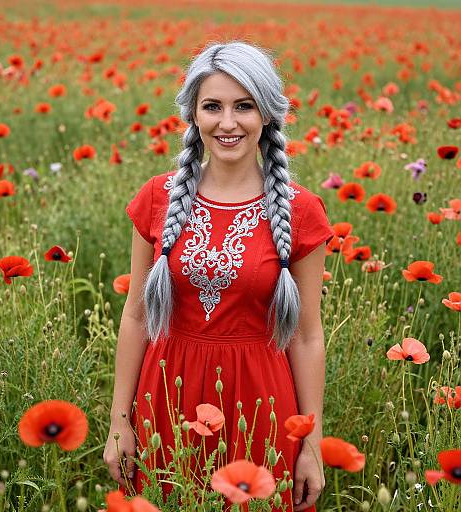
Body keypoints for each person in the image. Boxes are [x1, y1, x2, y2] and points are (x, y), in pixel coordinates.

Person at [103, 41, 334, 512]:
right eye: (213, 106)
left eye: (243, 106)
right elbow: (137, 316)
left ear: (267, 114)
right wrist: (119, 421)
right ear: (193, 114)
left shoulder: (300, 210)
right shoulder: (157, 198)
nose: (228, 123)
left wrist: (310, 445)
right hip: (166, 399)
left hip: (262, 408)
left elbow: (307, 337)